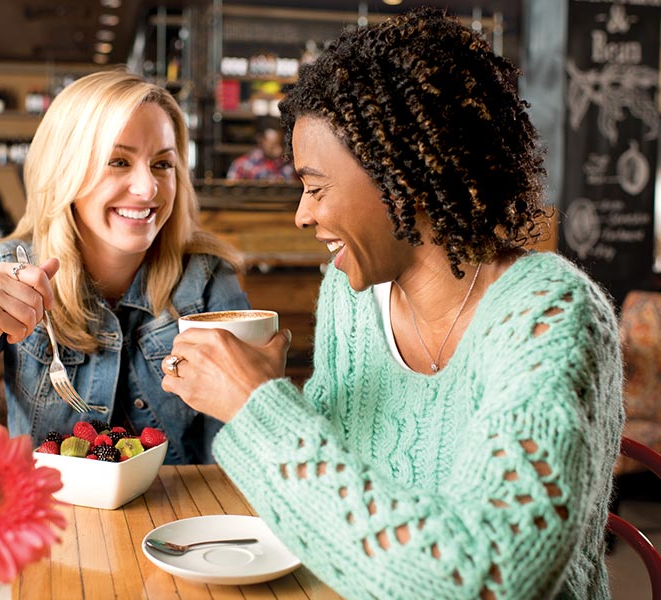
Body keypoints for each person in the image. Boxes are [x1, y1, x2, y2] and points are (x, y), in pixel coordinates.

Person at [161, 8, 623, 599]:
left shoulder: (552, 316)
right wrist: (268, 396)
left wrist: (258, 410)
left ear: (403, 176)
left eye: (316, 185)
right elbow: (334, 518)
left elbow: (490, 579)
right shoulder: (349, 300)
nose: (303, 214)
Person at [0, 70, 251, 465]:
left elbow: (233, 461)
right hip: (55, 518)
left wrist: (253, 393)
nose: (148, 187)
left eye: (162, 164)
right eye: (118, 161)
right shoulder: (13, 267)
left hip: (181, 519)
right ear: (65, 170)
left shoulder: (206, 279)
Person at [226, 117, 295, 182]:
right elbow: (230, 193)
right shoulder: (241, 166)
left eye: (281, 145)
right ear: (260, 141)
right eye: (273, 147)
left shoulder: (288, 164)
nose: (279, 151)